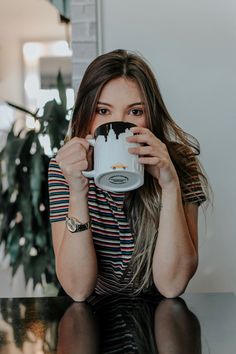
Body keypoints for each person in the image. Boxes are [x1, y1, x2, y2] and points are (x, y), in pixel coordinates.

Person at [48, 49, 208, 301]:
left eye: (135, 112)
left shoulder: (179, 162)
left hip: (156, 320)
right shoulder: (64, 167)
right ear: (86, 115)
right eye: (103, 111)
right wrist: (78, 191)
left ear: (151, 116)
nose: (118, 123)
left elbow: (172, 285)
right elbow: (78, 289)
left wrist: (169, 184)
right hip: (91, 319)